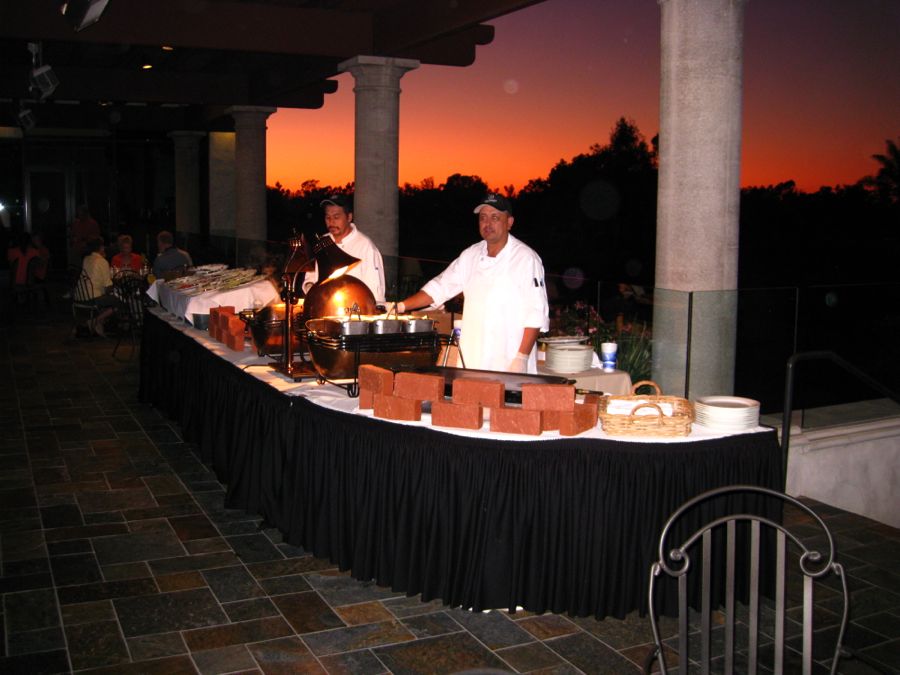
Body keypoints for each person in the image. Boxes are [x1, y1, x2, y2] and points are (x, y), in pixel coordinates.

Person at [397, 193, 549, 373]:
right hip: (472, 360)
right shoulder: (470, 255)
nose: (488, 223)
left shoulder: (526, 259)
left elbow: (535, 313)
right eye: (483, 218)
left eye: (495, 218)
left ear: (509, 222)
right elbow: (439, 287)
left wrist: (522, 357)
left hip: (509, 362)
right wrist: (400, 306)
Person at [301, 195, 385, 303]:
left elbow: (376, 296)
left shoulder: (366, 247)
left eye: (336, 217)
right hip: (323, 310)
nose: (331, 222)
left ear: (349, 217)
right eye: (327, 217)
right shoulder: (322, 242)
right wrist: (310, 288)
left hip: (355, 313)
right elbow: (311, 277)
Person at [76, 237, 120, 337]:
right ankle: (96, 320)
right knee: (120, 301)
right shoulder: (102, 261)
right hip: (92, 298)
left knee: (107, 297)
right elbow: (108, 286)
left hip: (80, 296)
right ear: (101, 247)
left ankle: (99, 323)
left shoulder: (86, 258)